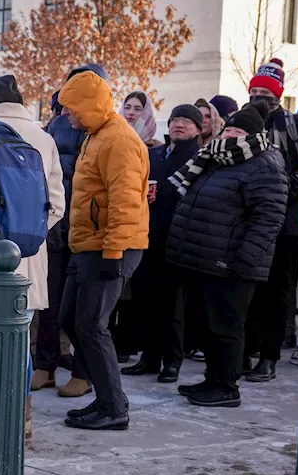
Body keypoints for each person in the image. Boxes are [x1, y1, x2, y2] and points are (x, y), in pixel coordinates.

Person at [166, 104, 287, 408]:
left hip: (231, 263)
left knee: (226, 326)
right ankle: (213, 378)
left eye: (239, 131)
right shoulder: (216, 157)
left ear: (254, 136)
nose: (231, 134)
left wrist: (244, 260)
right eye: (229, 129)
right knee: (206, 324)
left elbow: (268, 218)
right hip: (204, 258)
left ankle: (227, 386)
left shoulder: (265, 163)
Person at [56, 70, 150, 431]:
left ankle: (114, 408)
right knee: (71, 320)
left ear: (88, 106)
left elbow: (125, 203)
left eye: (70, 108)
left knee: (92, 326)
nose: (65, 114)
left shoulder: (118, 141)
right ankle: (108, 399)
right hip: (88, 246)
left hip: (112, 247)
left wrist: (113, 254)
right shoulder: (94, 136)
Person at [0, 74, 66, 438]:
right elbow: (58, 205)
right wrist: (28, 235)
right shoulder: (45, 137)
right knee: (20, 339)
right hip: (31, 254)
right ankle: (22, 415)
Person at [121, 105, 204, 383]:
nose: (179, 125)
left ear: (198, 128)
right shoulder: (154, 153)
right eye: (175, 119)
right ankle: (149, 357)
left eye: (187, 121)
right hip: (147, 233)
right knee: (146, 298)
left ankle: (172, 360)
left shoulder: (199, 157)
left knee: (172, 303)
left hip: (178, 237)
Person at [37, 63, 106, 396]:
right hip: (55, 226)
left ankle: (83, 372)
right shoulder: (56, 124)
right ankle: (44, 365)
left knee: (83, 308)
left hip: (89, 229)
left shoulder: (105, 128)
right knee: (50, 303)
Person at [243, 59, 298, 383]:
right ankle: (246, 351)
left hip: (284, 220)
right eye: (254, 91)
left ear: (278, 96)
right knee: (247, 287)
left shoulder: (296, 125)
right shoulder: (243, 121)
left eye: (265, 93)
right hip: (248, 218)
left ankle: (268, 358)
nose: (258, 98)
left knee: (277, 290)